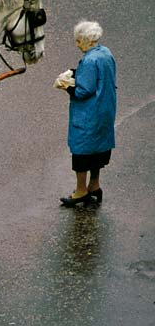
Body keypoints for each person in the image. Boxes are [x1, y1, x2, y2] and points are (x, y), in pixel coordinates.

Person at [55, 20, 116, 206]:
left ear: (87, 41)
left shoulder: (89, 60)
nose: (77, 44)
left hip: (89, 114)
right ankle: (94, 185)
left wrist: (66, 86)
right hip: (105, 110)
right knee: (99, 149)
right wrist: (77, 73)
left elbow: (83, 90)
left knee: (82, 151)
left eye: (78, 40)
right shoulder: (106, 53)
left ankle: (81, 190)